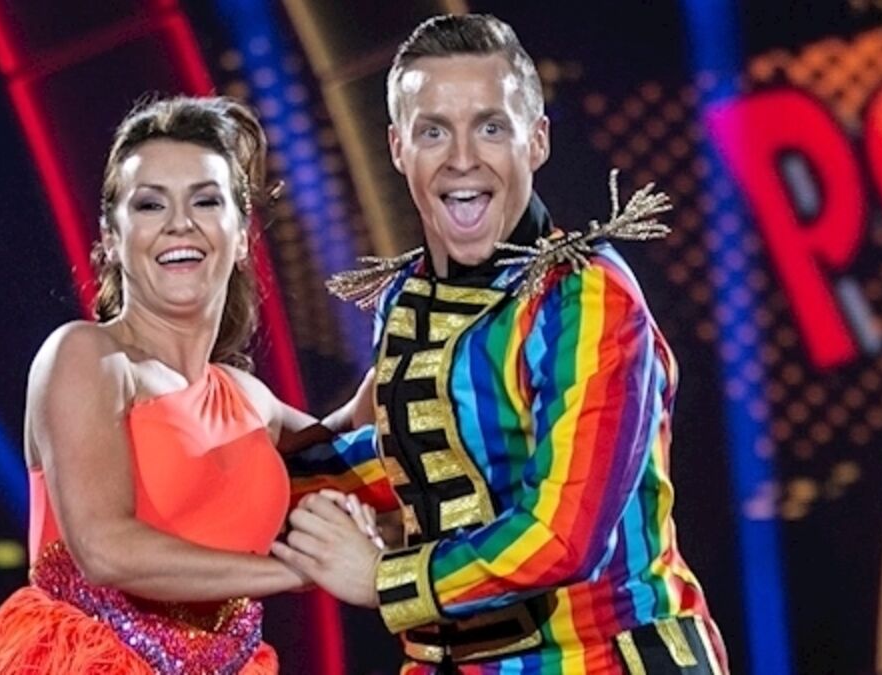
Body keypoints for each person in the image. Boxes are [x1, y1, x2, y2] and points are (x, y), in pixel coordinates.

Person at [274, 14, 731, 674]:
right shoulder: (404, 296)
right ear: (398, 147)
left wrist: (382, 579)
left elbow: (562, 536)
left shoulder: (585, 296)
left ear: (536, 140)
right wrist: (254, 473)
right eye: (434, 131)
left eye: (491, 127)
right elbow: (415, 459)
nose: (462, 157)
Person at [0, 96, 375, 675]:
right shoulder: (87, 357)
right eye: (150, 204)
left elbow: (354, 455)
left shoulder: (249, 400)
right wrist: (298, 572)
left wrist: (419, 363)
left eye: (205, 200)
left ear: (241, 234)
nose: (179, 223)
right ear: (112, 237)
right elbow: (105, 550)